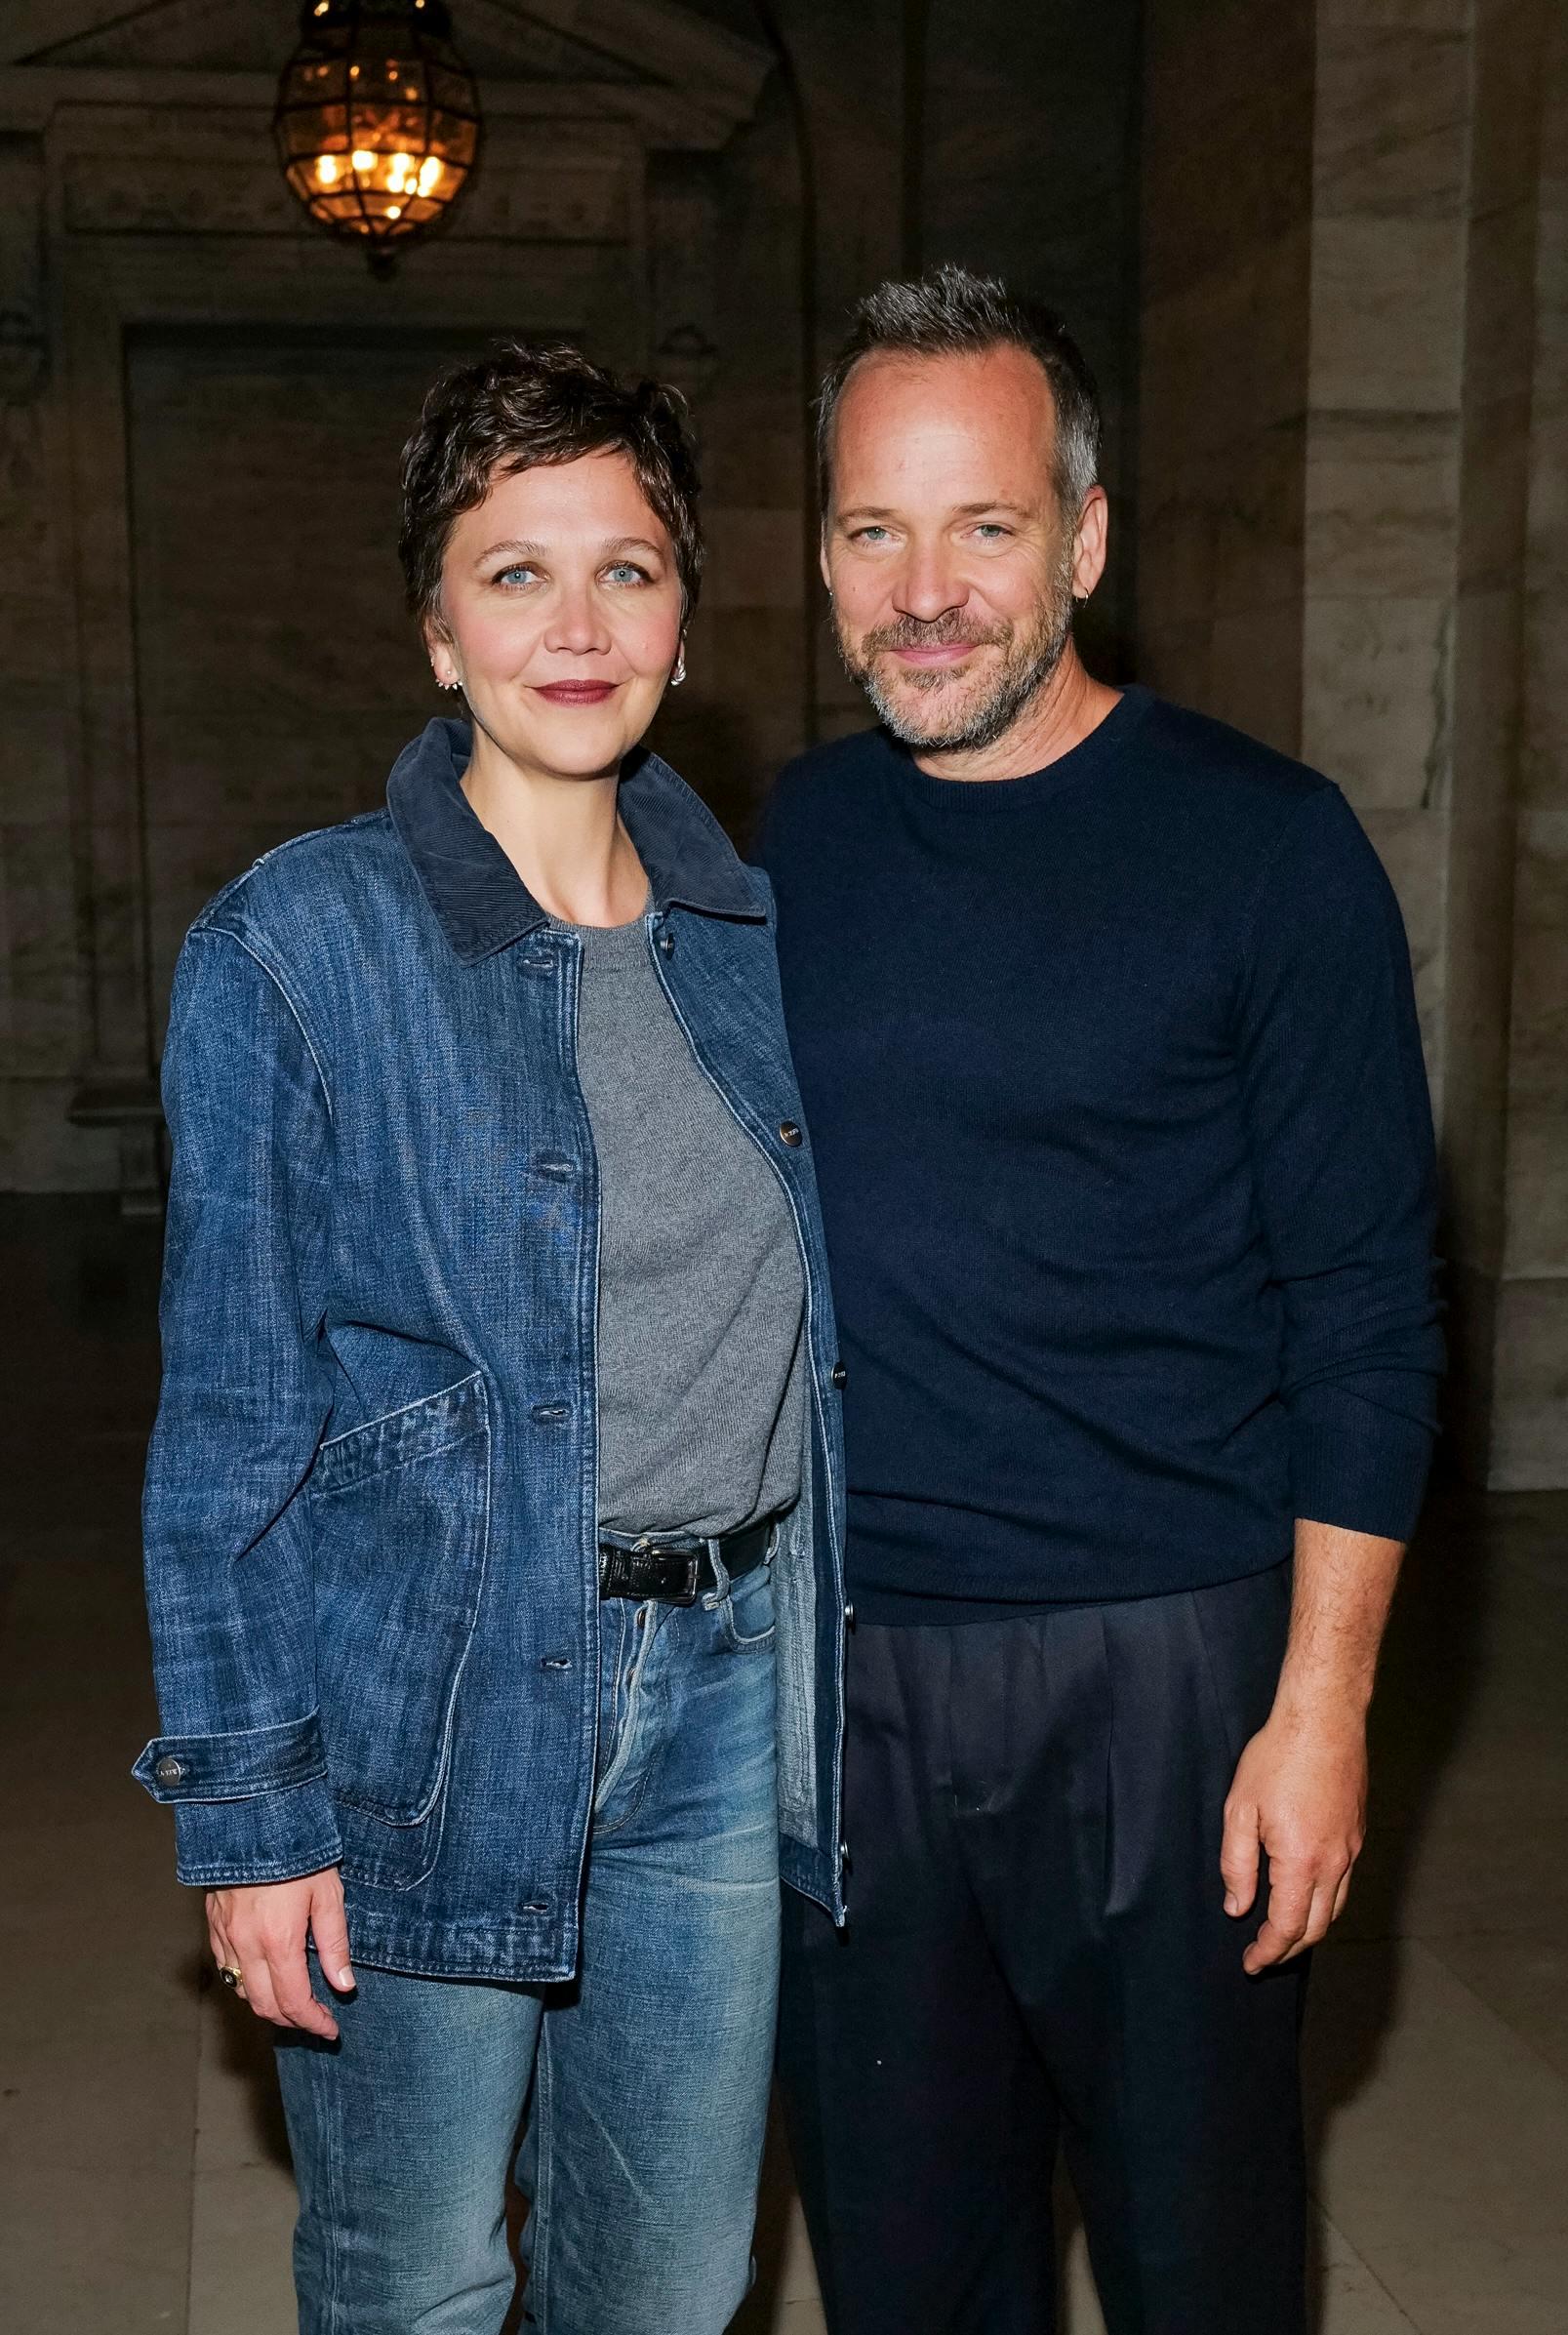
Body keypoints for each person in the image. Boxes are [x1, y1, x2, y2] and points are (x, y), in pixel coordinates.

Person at [133, 340, 849, 2335]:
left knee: (669, 2284)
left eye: (625, 568)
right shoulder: (296, 947)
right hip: (424, 1711)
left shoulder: (766, 948)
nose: (577, 622)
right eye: (514, 571)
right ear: (435, 629)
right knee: (418, 2276)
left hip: (721, 1694)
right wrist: (251, 1819)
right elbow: (227, 1434)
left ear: (687, 620)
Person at [758, 265, 1443, 2335]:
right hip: (849, 1677)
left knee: (1194, 2255)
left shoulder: (1271, 851)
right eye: (877, 530)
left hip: (1172, 1675)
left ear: (1086, 535)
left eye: (984, 525)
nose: (928, 590)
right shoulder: (786, 839)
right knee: (905, 2263)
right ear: (823, 555)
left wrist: (1319, 1716)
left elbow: (1369, 1308)